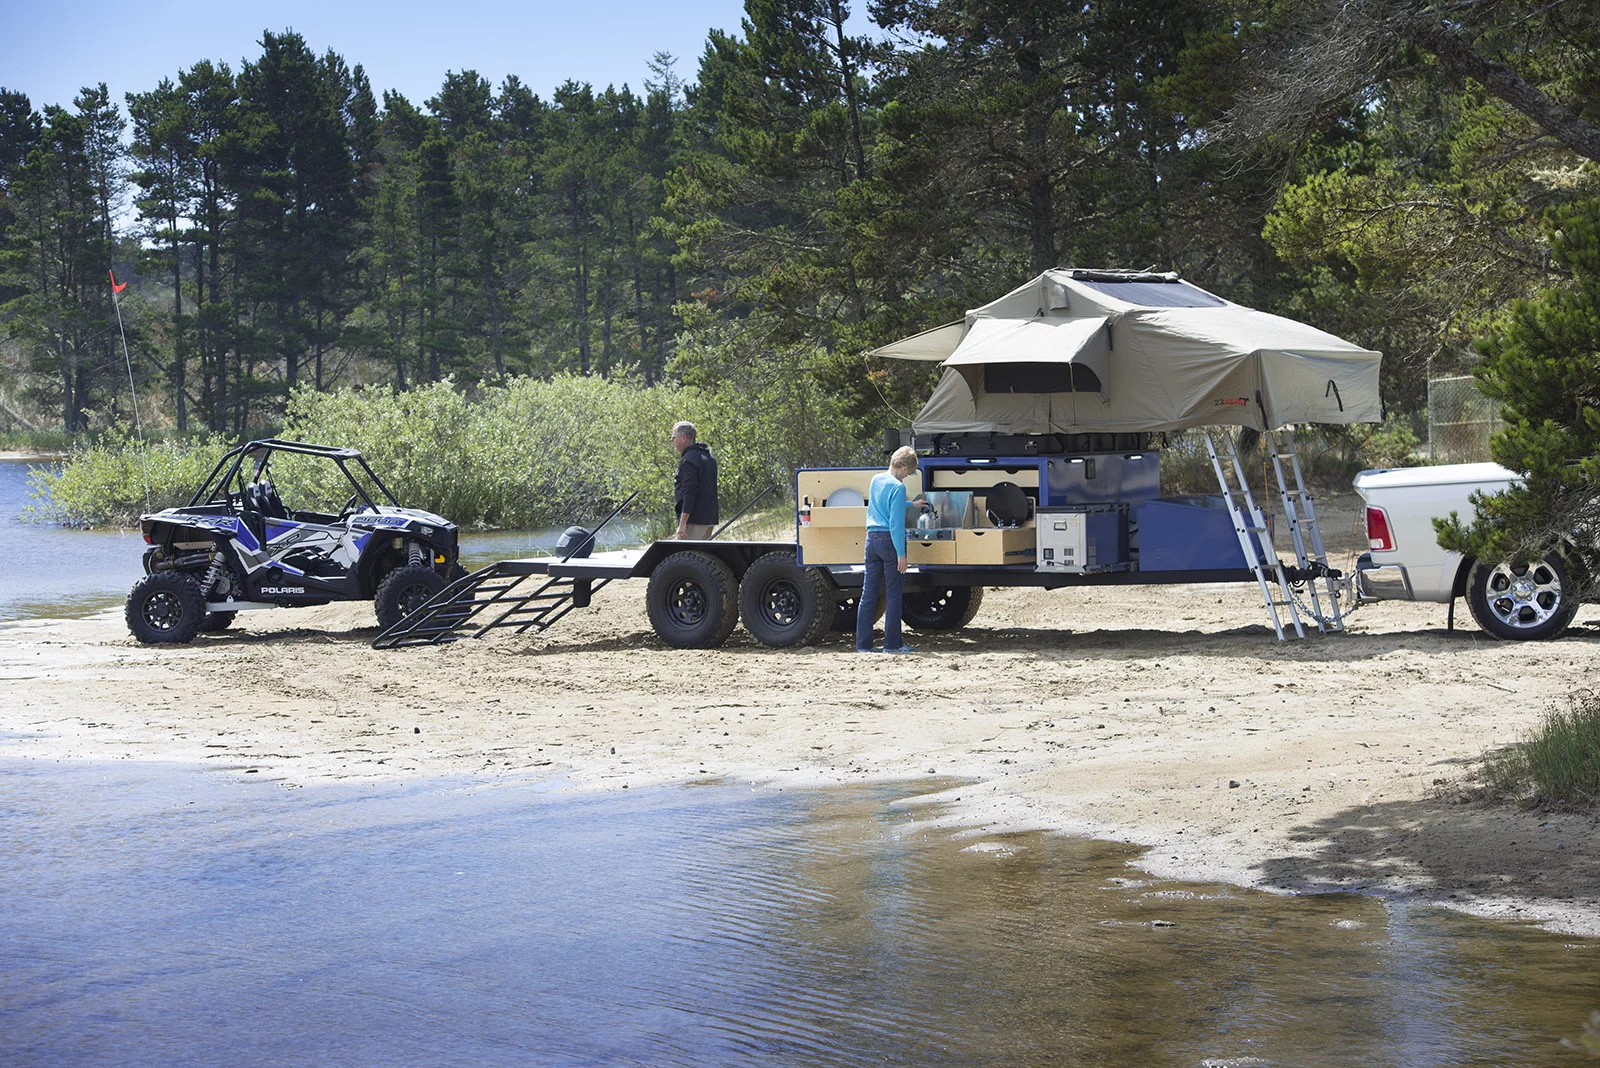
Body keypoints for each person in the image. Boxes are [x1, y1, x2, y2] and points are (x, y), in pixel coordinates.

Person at [857, 445, 919, 654]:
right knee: (893, 594)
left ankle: (864, 645)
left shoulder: (876, 479)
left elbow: (882, 504)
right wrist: (901, 553)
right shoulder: (898, 487)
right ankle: (892, 644)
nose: (907, 476)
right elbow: (895, 524)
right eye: (908, 473)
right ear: (904, 468)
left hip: (871, 540)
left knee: (868, 594)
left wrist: (910, 504)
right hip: (889, 542)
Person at [670, 421, 718, 539]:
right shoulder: (709, 457)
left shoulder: (689, 460)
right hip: (709, 518)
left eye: (674, 437)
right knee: (698, 551)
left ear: (684, 438)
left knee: (680, 551)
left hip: (694, 521)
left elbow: (690, 492)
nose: (672, 440)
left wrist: (682, 523)